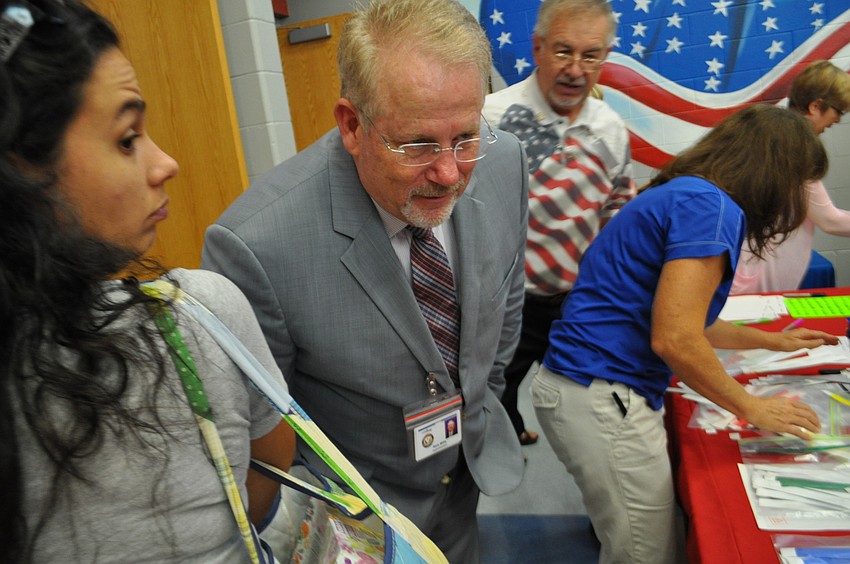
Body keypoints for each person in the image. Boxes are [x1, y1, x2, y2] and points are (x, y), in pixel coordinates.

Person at [202, 0, 527, 560]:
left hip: (466, 486)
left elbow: (506, 308)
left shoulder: (504, 163)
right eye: (418, 144)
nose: (449, 173)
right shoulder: (256, 246)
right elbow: (267, 438)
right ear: (352, 125)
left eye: (465, 137)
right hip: (360, 520)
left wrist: (478, 400)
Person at [0, 2, 295, 562]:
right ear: (20, 169)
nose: (166, 164)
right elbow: (264, 480)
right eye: (127, 137)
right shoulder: (201, 315)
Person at [530, 104, 838, 564]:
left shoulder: (689, 194)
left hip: (584, 390)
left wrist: (771, 341)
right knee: (645, 552)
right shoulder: (710, 206)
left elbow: (687, 318)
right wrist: (751, 407)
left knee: (647, 534)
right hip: (601, 395)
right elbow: (675, 338)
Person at [482, 0, 635, 446]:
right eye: (563, 51)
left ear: (605, 57)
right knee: (497, 392)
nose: (576, 69)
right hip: (509, 304)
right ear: (537, 47)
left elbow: (618, 211)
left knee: (594, 405)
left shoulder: (610, 128)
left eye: (591, 56)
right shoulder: (490, 119)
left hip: (580, 303)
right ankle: (508, 442)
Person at [732, 60, 850, 294]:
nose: (838, 120)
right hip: (754, 278)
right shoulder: (793, 147)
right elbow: (830, 220)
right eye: (838, 111)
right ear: (816, 106)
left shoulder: (773, 137)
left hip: (750, 271)